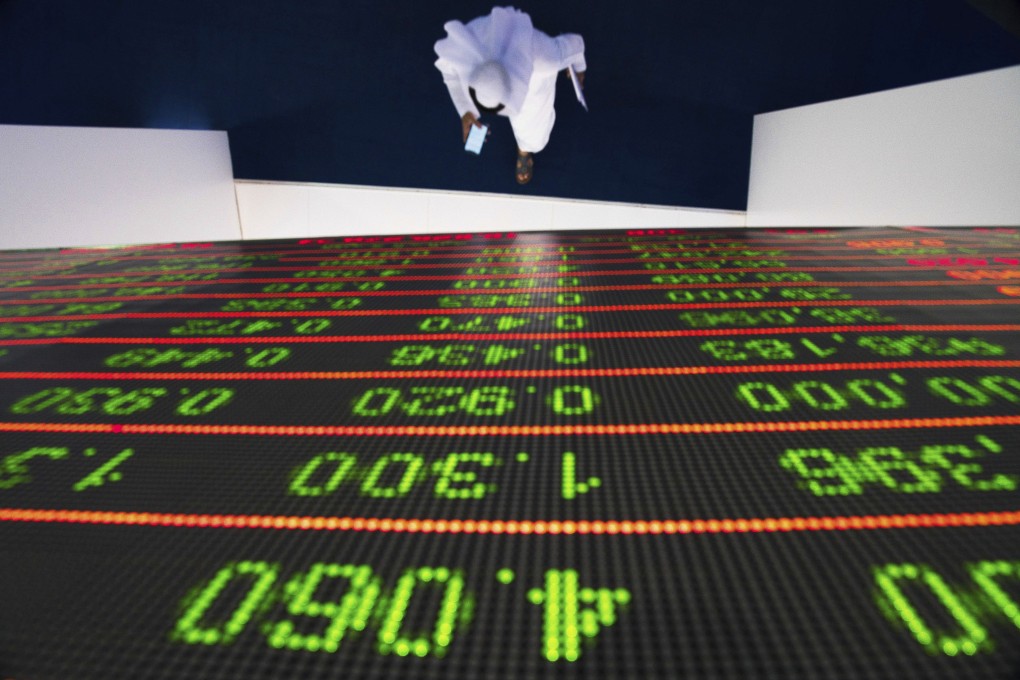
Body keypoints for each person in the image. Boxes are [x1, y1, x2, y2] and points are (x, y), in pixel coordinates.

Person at [434, 6, 586, 185]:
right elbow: (450, 70)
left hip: (534, 75)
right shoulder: (471, 40)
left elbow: (575, 44)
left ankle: (525, 149)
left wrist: (579, 66)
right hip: (489, 42)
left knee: (533, 138)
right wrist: (465, 109)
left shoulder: (545, 60)